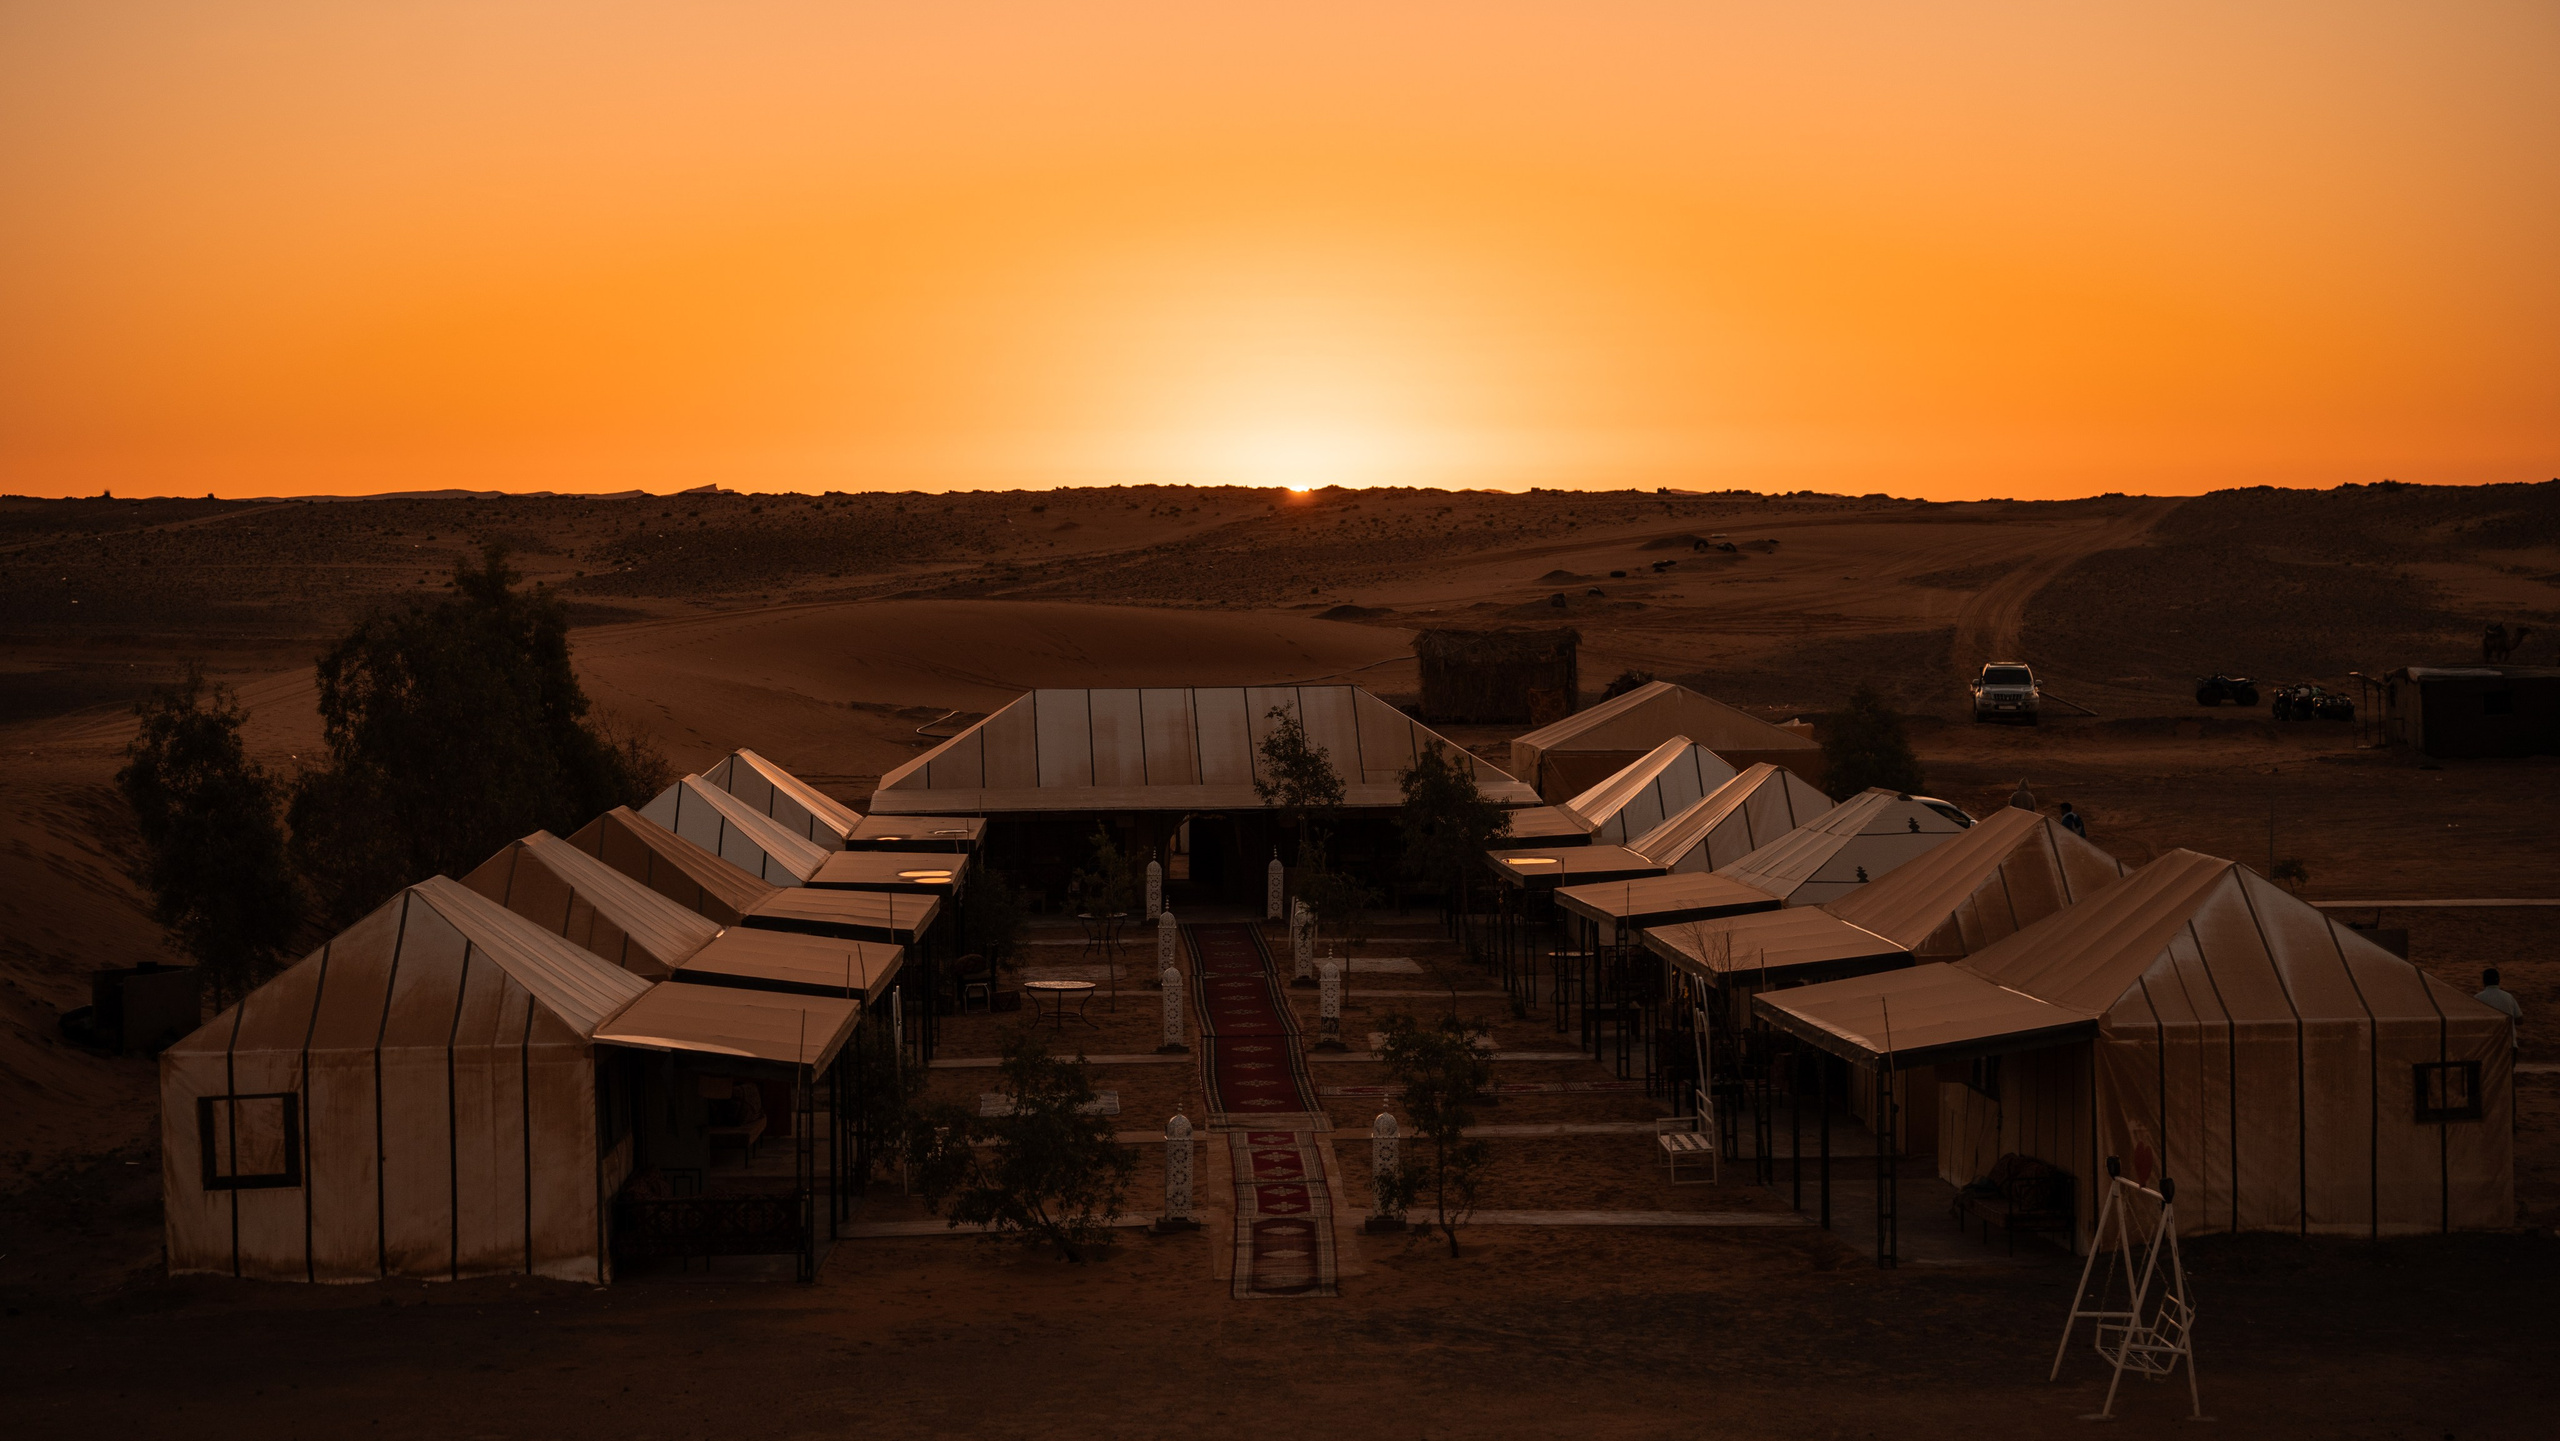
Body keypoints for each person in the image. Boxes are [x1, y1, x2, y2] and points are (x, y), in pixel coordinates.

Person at [2475, 968, 2522, 1049]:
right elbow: (2520, 1020)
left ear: (2484, 981)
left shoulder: (2478, 998)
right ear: (2498, 981)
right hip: (2509, 1044)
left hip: (2486, 1045)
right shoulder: (2508, 997)